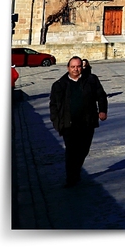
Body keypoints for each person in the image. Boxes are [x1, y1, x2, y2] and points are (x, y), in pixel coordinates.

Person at [48, 56, 108, 187]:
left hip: (87, 122)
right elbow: (54, 105)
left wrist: (102, 110)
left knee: (83, 150)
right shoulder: (60, 85)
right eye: (73, 67)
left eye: (78, 66)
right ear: (68, 68)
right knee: (71, 151)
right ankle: (71, 178)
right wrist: (57, 123)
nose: (76, 69)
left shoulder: (91, 80)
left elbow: (101, 96)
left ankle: (76, 170)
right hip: (69, 124)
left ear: (82, 67)